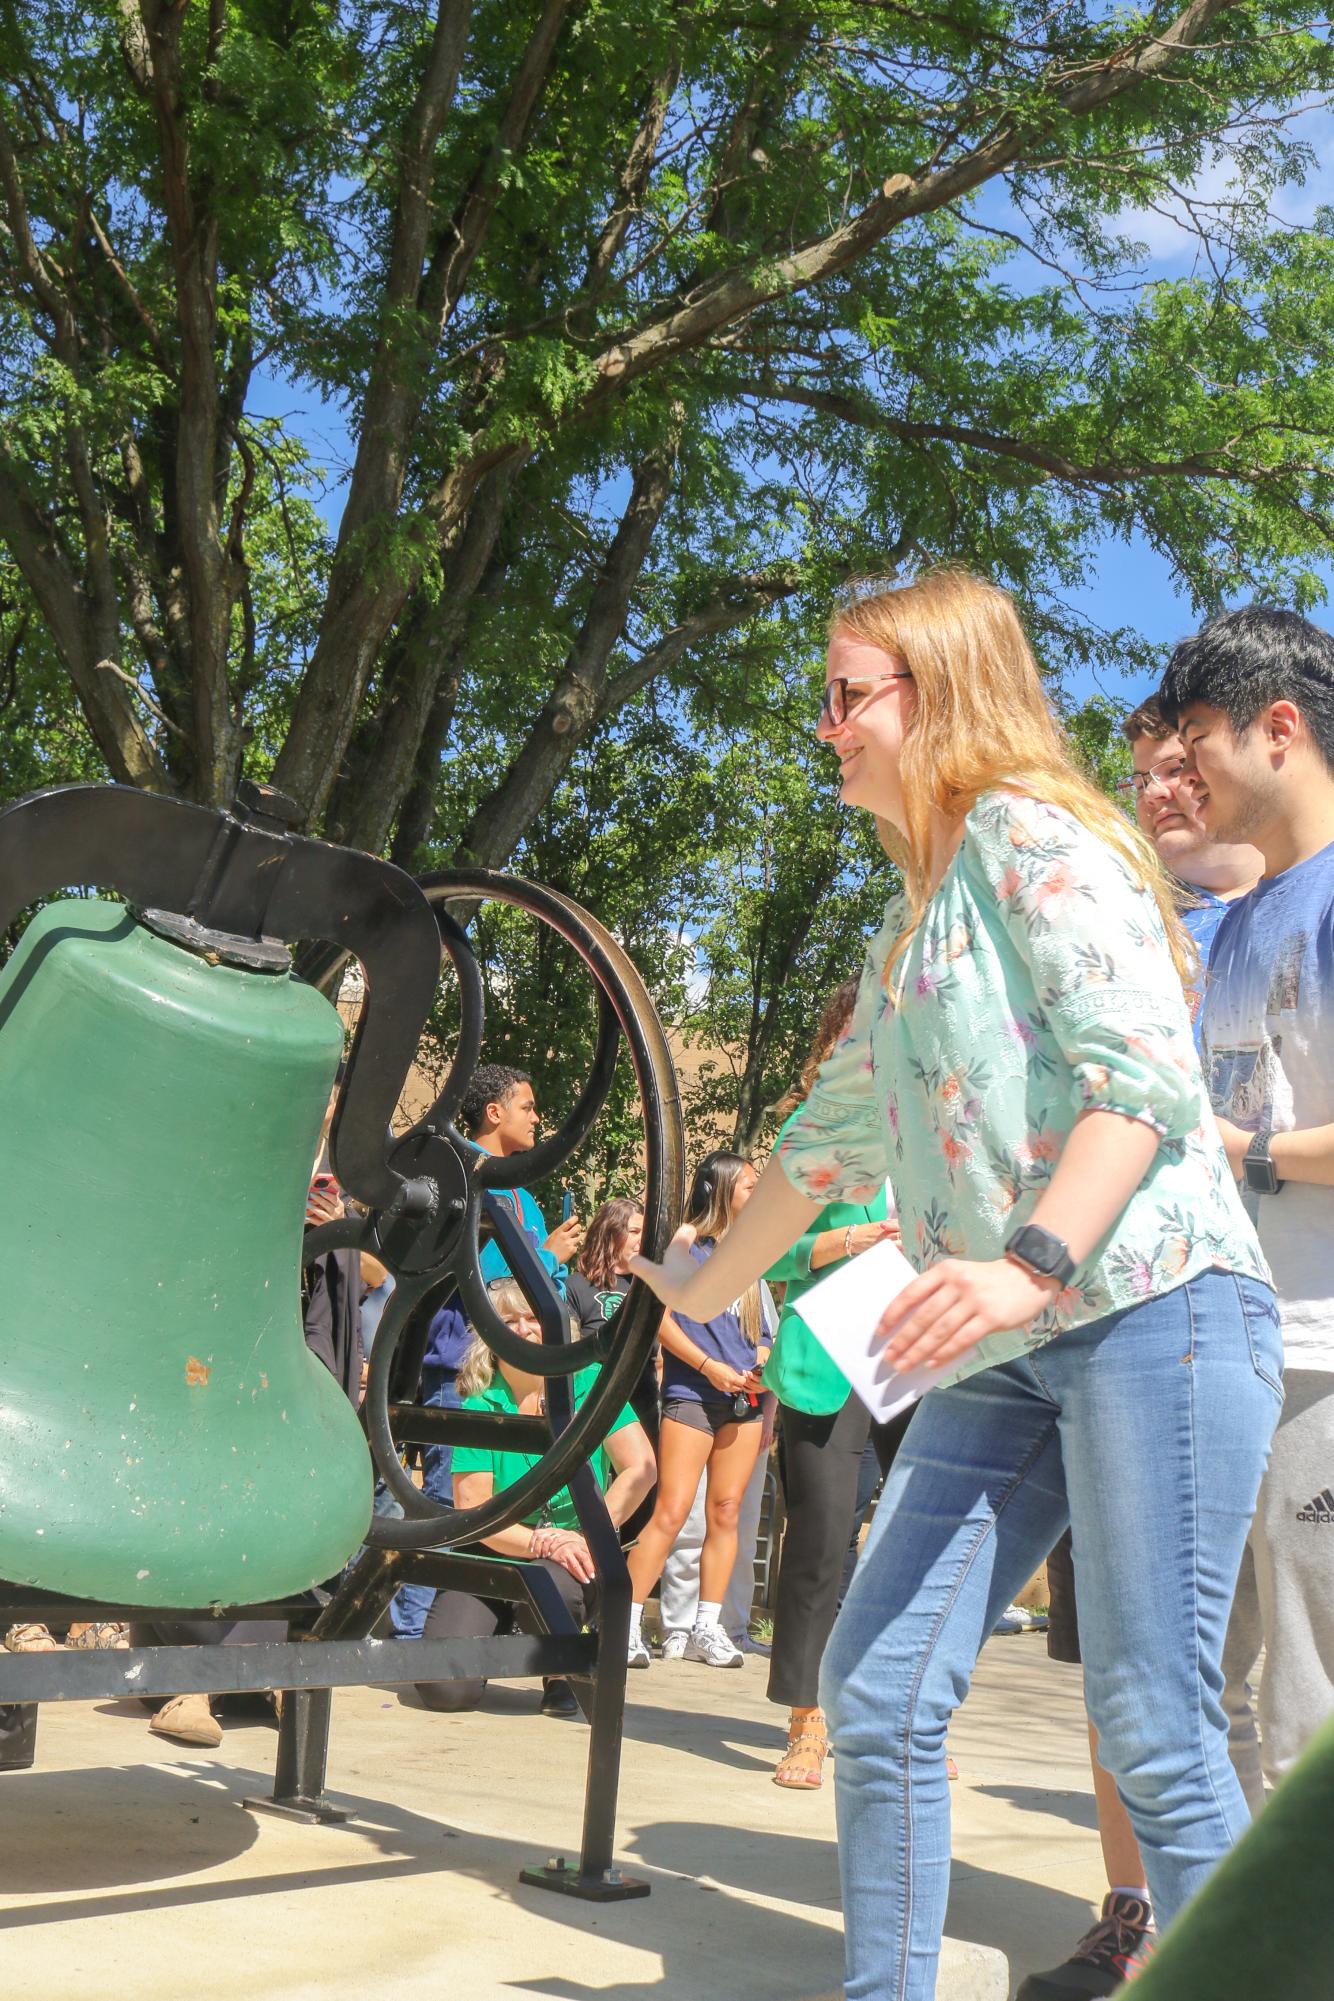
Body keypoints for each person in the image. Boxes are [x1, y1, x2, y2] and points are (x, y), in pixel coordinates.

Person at [631, 567, 1279, 2001]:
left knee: (1158, 1727)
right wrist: (700, 1282)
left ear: (938, 695)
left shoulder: (1027, 833)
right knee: (875, 1693)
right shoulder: (917, 917)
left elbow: (1142, 1077)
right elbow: (824, 1141)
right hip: (1013, 1349)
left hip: (1149, 1310)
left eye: (847, 695)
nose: (826, 727)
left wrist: (1024, 1260)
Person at [1021, 696, 1263, 1999]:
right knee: (1136, 1667)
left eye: (1184, 765)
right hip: (1128, 1327)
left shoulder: (1302, 911)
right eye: (1140, 770)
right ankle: (1137, 1915)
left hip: (1283, 1332)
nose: (1161, 789)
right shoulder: (1116, 921)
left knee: (1278, 1680)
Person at [1158, 606, 1334, 1809]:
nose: (1181, 773)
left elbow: (1235, 1133)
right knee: (1188, 1694)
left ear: (1278, 730)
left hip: (1322, 1355)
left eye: (1198, 740)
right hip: (1222, 1346)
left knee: (1303, 1708)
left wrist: (1240, 1149)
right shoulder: (1238, 924)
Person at [763, 976, 911, 1790]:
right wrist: (851, 1238)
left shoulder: (933, 1126)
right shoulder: (813, 1132)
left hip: (914, 1344)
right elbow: (768, 1256)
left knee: (920, 1535)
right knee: (819, 1543)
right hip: (828, 1347)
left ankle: (899, 1715)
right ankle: (807, 1719)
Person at [401, 1063, 585, 1640]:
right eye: (528, 1106)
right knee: (443, 1505)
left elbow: (527, 1292)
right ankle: (410, 1639)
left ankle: (466, 1629)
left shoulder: (522, 1195)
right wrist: (549, 1256)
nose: (537, 1118)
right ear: (494, 1112)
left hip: (515, 1373)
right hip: (461, 1367)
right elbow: (479, 1278)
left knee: (490, 1498)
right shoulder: (460, 1179)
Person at [414, 1278, 655, 1716]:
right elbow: (474, 1511)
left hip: (573, 1555)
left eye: (534, 1319)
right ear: (490, 1334)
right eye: (509, 1320)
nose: (523, 1330)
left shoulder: (590, 1383)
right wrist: (538, 1541)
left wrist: (587, 1534)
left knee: (554, 1587)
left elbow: (641, 1468)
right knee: (443, 1691)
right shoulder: (479, 1403)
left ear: (558, 1327)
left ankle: (559, 1670)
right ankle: (494, 1638)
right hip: (495, 1549)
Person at [625, 1152, 771, 1671]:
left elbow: (762, 1336)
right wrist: (709, 1366)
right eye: (749, 1187)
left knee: (726, 1512)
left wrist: (759, 1368)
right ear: (720, 1189)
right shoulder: (688, 1244)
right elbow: (659, 1321)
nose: (757, 1196)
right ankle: (626, 1620)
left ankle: (708, 1626)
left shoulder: (749, 1256)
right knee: (672, 1510)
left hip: (743, 1401)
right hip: (692, 1394)